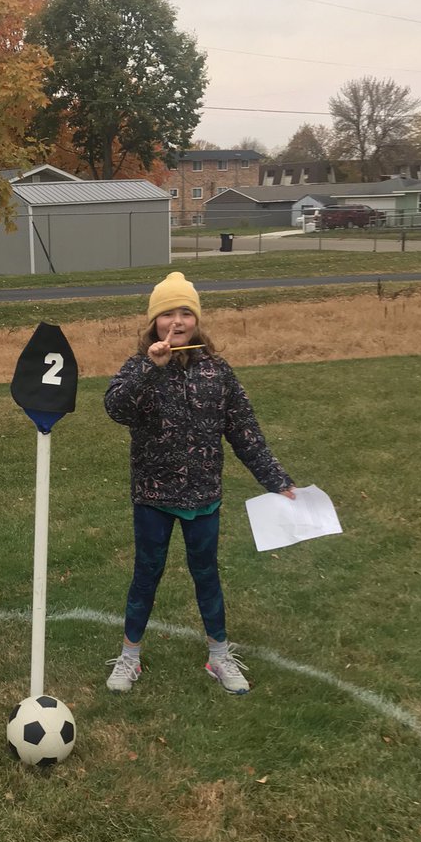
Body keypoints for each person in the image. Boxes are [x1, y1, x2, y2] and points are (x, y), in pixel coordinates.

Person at [103, 271, 295, 695]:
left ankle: (219, 656)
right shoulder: (140, 366)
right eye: (167, 313)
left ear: (197, 319)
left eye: (185, 312)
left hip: (203, 497)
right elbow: (116, 408)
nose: (177, 320)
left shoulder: (217, 372)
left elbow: (245, 431)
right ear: (153, 322)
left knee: (206, 575)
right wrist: (153, 369)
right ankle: (129, 658)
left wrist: (276, 480)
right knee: (146, 574)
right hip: (153, 496)